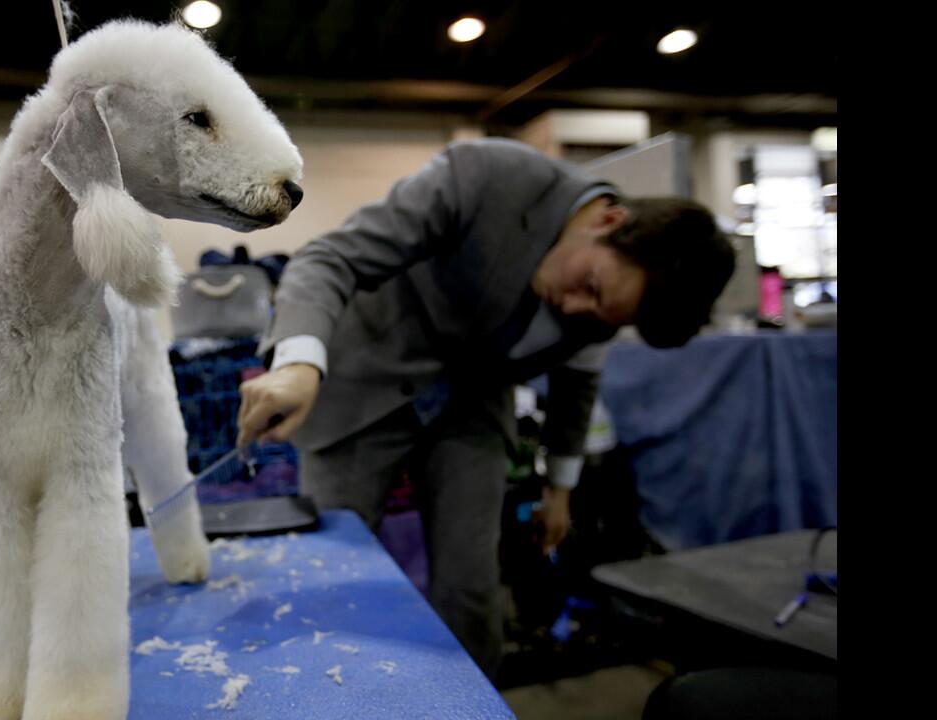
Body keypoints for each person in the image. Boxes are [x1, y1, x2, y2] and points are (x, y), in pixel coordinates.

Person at [235, 137, 736, 676]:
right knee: (334, 568)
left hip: (472, 410)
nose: (574, 309)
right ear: (609, 220)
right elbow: (329, 259)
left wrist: (560, 490)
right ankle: (324, 691)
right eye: (588, 286)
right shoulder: (486, 175)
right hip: (365, 379)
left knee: (471, 588)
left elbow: (577, 384)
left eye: (600, 315)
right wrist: (298, 364)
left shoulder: (605, 300)